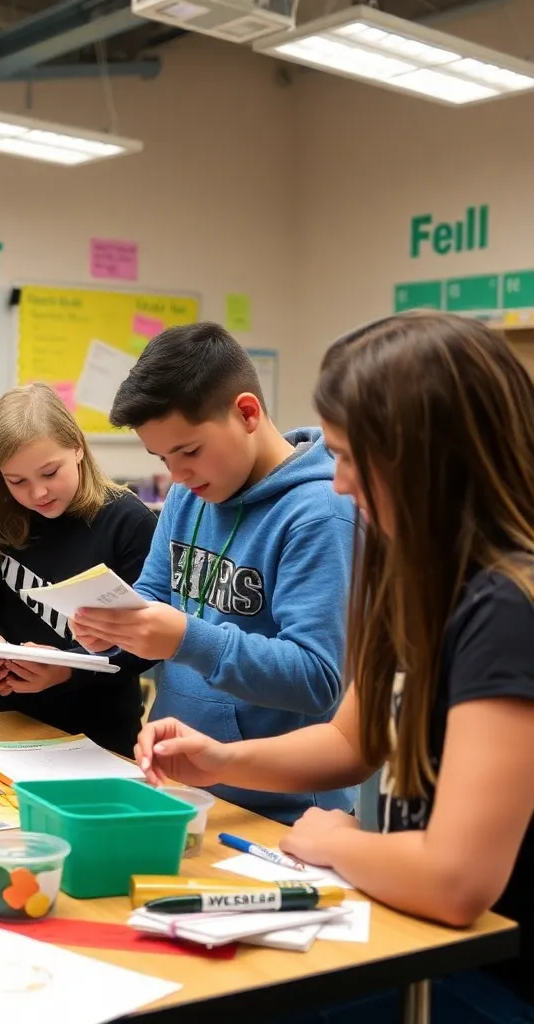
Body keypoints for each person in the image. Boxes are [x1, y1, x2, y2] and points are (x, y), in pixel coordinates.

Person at [136, 313, 534, 1020]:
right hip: (418, 924)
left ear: (429, 457)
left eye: (352, 457)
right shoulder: (413, 572)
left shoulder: (507, 605)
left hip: (489, 967)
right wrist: (221, 759)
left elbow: (456, 878)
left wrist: (343, 841)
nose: (339, 482)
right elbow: (352, 742)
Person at [72, 323, 357, 823]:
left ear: (247, 413)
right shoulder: (190, 493)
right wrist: (108, 633)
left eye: (189, 451)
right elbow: (154, 595)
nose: (177, 474)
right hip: (181, 788)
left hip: (280, 811)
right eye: (162, 458)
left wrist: (186, 637)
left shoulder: (319, 511)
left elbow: (317, 678)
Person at [0, 383, 157, 754]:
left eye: (50, 473)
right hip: (14, 726)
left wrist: (69, 669)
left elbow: (147, 645)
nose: (38, 494)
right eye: (16, 481)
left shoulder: (128, 522)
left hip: (103, 735)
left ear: (78, 447)